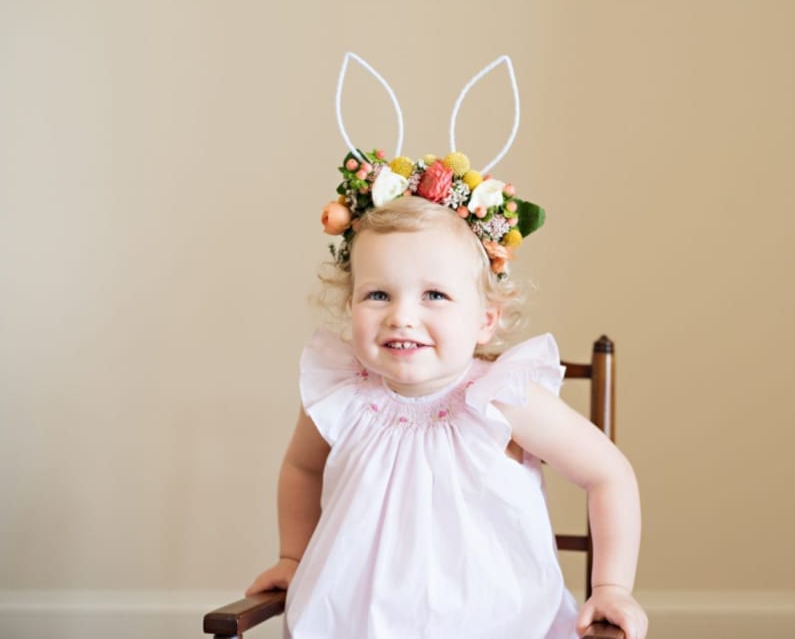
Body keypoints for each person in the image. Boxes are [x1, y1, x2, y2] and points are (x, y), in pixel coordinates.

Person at [245, 145, 649, 639]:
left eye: (434, 295)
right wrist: (293, 554)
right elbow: (302, 469)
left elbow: (609, 474)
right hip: (352, 620)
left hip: (492, 620)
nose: (402, 315)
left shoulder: (499, 397)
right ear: (348, 303)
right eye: (378, 294)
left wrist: (611, 585)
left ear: (485, 319)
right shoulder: (344, 395)